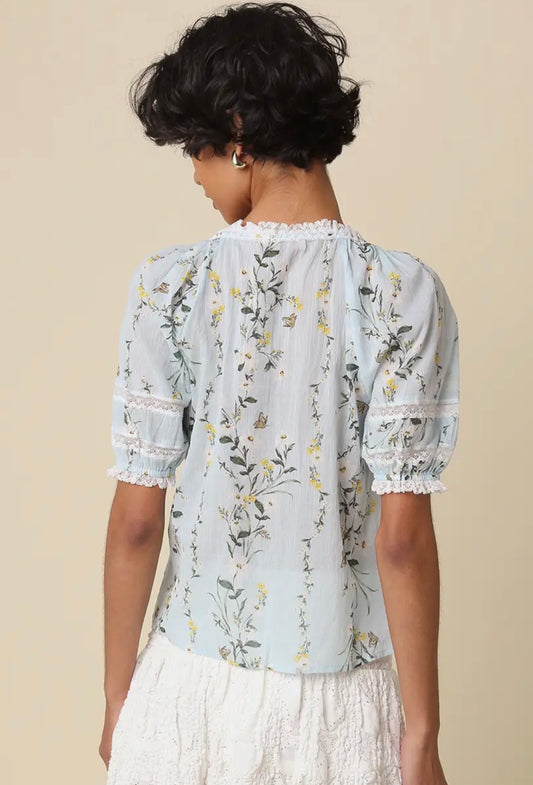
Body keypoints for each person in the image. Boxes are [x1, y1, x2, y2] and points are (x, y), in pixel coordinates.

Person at [100, 3, 460, 784]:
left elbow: (135, 522)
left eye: (193, 148)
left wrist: (119, 698)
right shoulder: (401, 294)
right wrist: (422, 735)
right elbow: (401, 541)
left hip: (187, 690)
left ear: (236, 135)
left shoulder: (169, 287)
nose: (193, 173)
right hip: (340, 701)